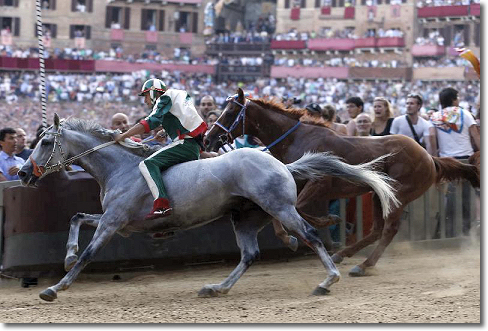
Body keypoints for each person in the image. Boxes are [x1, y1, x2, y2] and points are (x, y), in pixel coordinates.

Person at [114, 78, 207, 220]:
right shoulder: (173, 98)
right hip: (191, 145)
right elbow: (179, 118)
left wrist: (124, 135)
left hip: (184, 145)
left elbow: (150, 122)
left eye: (145, 96)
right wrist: (165, 129)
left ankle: (162, 206)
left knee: (147, 164)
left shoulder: (163, 98)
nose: (145, 101)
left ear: (152, 92)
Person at [431, 87, 480, 237]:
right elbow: (476, 136)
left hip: (446, 162)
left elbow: (433, 141)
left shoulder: (435, 116)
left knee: (448, 199)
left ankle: (448, 233)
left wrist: (434, 160)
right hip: (466, 161)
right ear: (454, 99)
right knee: (466, 199)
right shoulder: (465, 114)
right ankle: (465, 233)